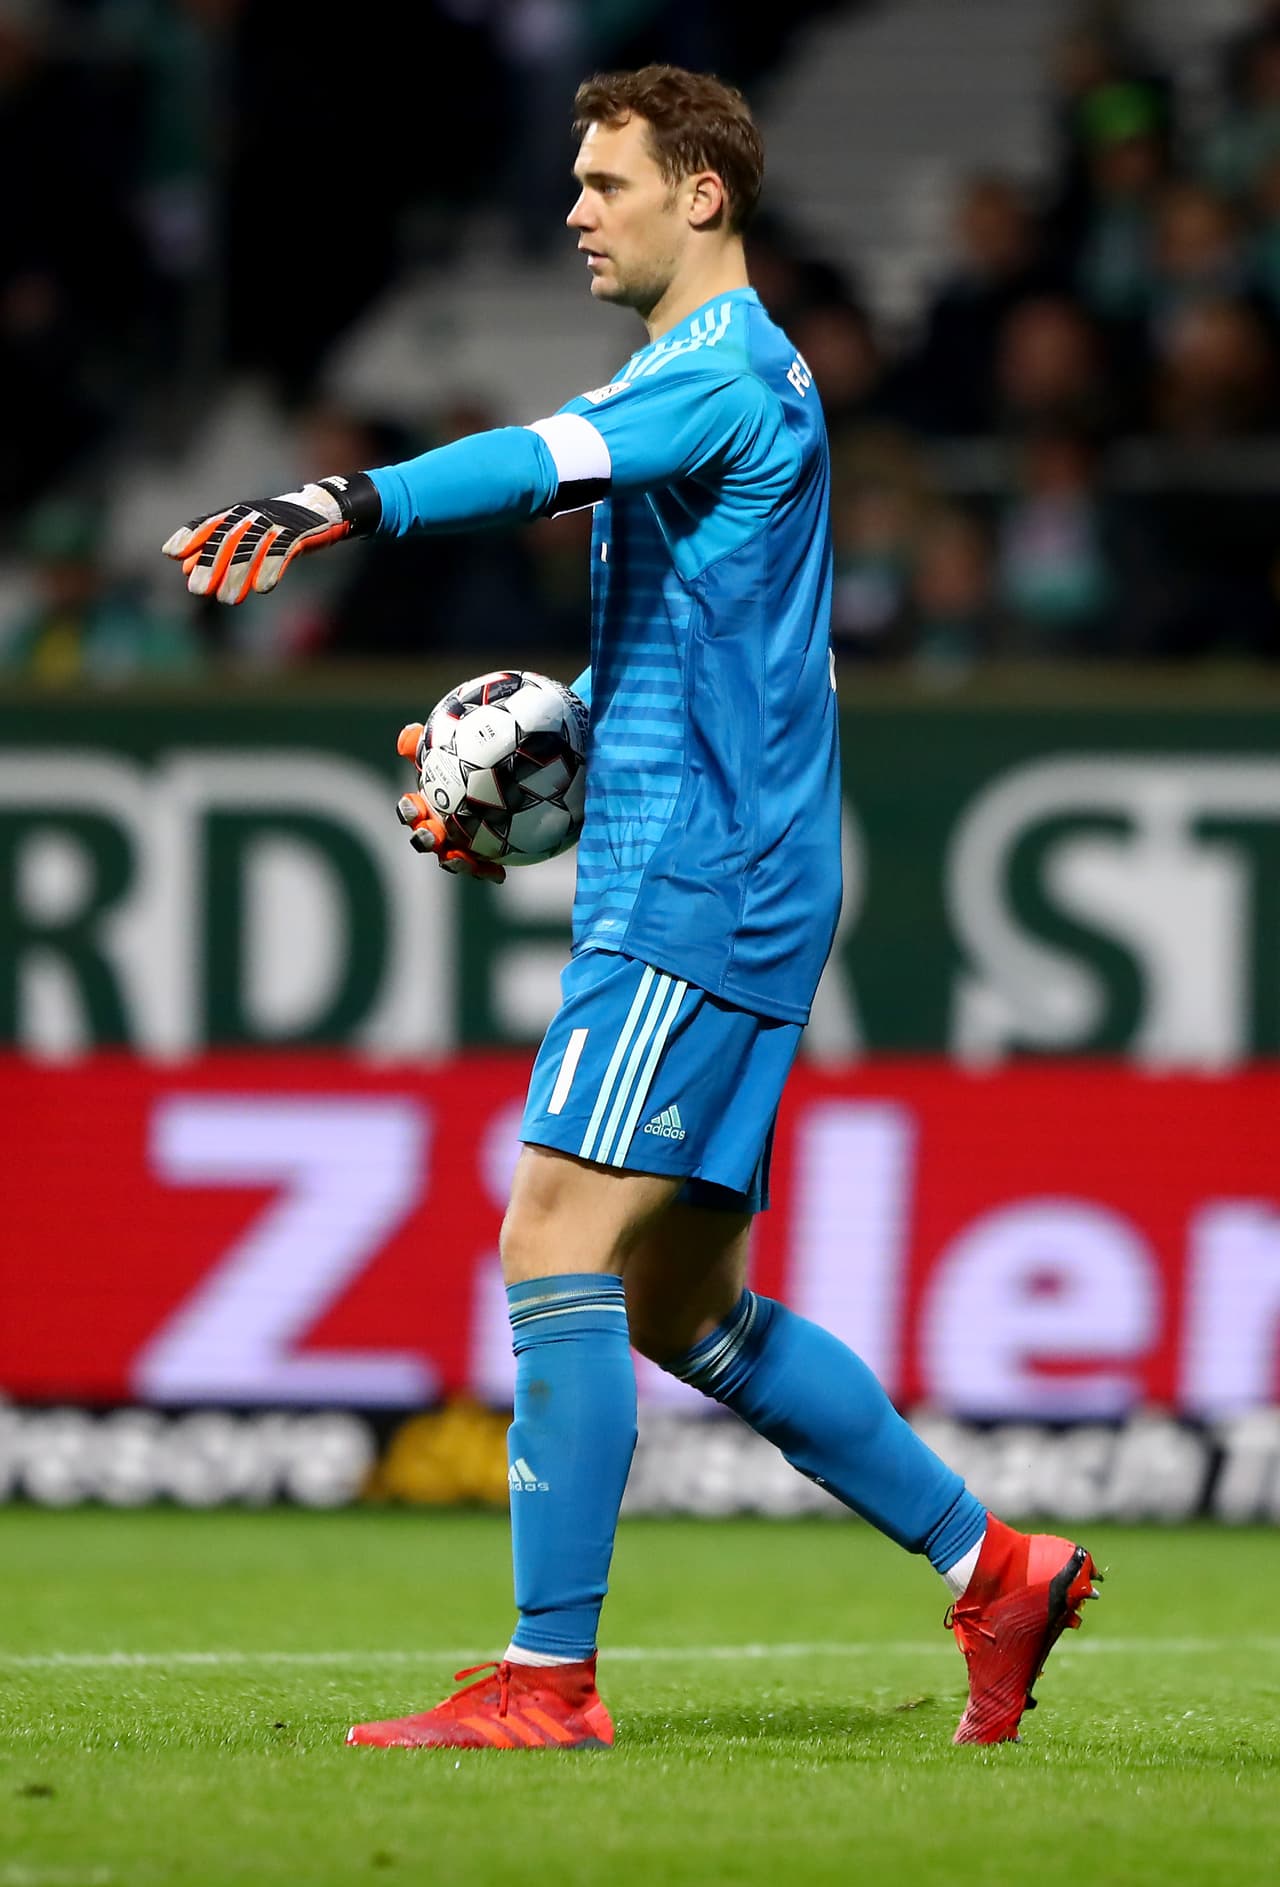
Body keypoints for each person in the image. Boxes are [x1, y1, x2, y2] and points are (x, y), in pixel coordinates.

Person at [161, 64, 1100, 1752]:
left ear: (702, 194)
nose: (577, 211)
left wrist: (344, 498)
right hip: (728, 869)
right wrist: (520, 764)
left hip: (695, 886)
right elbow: (693, 654)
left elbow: (541, 462)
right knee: (679, 1307)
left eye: (608, 183)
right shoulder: (723, 380)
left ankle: (547, 1683)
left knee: (551, 1242)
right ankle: (996, 1567)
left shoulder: (718, 375)